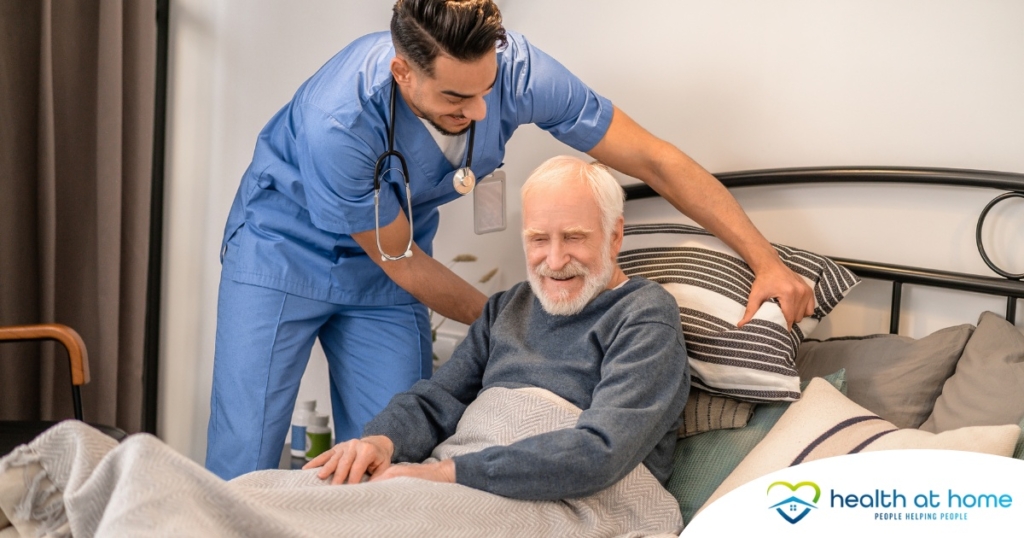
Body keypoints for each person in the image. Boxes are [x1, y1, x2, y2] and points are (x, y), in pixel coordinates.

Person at [207, 0, 814, 479]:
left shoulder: (517, 71)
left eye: (485, 90)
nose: (477, 110)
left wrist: (766, 261)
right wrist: (522, 326)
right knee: (246, 454)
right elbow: (399, 260)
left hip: (391, 268)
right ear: (403, 72)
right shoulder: (338, 119)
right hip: (283, 255)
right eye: (454, 97)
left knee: (391, 452)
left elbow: (652, 159)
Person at [305, 155, 690, 499]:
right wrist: (381, 442)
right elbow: (437, 400)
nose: (554, 261)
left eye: (574, 237)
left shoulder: (644, 314)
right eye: (539, 239)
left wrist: (449, 473)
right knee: (273, 495)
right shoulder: (508, 306)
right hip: (464, 472)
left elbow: (602, 452)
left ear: (615, 236)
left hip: (555, 495)